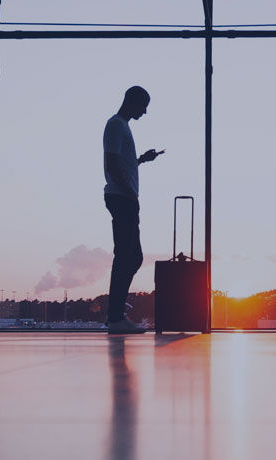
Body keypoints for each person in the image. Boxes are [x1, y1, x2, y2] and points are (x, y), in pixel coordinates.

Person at [103, 86, 163, 334]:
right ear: (132, 101)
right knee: (127, 257)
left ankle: (116, 315)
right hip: (122, 197)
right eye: (143, 106)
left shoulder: (121, 126)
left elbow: (121, 163)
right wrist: (129, 193)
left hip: (123, 196)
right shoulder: (116, 125)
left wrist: (141, 160)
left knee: (130, 256)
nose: (145, 112)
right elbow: (112, 165)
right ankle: (115, 317)